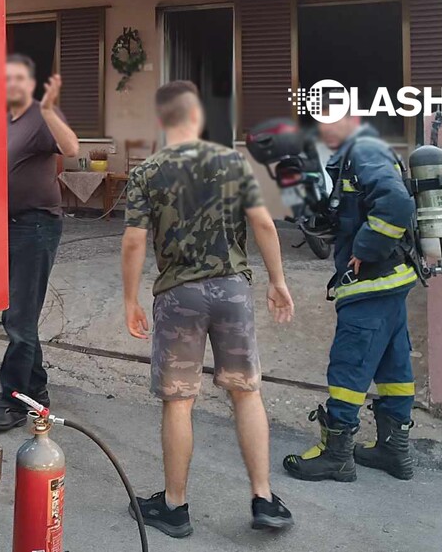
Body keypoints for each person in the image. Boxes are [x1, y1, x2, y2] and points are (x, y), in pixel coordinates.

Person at [121, 80, 296, 537]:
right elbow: (262, 223)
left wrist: (130, 299)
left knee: (179, 401)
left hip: (179, 296)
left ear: (161, 120)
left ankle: (175, 507)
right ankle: (264, 498)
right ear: (197, 116)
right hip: (232, 290)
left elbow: (135, 241)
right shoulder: (232, 161)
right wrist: (277, 280)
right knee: (246, 392)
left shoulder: (147, 172)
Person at [282, 112, 418, 483]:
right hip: (391, 282)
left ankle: (336, 456)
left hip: (371, 283)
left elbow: (396, 204)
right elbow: (346, 215)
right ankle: (394, 449)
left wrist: (365, 248)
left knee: (349, 365)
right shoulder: (352, 156)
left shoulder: (364, 151)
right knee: (394, 367)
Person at [0, 54, 79, 431]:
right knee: (17, 316)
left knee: (20, 319)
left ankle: (13, 403)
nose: (13, 84)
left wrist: (50, 110)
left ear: (31, 83)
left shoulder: (40, 115)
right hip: (7, 225)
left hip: (36, 226)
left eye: (20, 78)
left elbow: (71, 148)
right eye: (6, 78)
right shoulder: (5, 120)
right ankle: (35, 390)